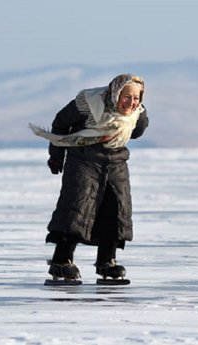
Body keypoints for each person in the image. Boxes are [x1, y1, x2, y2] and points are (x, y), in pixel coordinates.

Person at [29, 73, 149, 283]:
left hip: (116, 162)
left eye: (136, 98)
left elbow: (137, 132)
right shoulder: (89, 103)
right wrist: (56, 156)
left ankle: (107, 262)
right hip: (83, 159)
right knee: (77, 208)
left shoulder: (136, 113)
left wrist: (140, 114)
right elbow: (60, 122)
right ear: (115, 93)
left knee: (116, 209)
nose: (131, 103)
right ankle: (62, 261)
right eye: (126, 97)